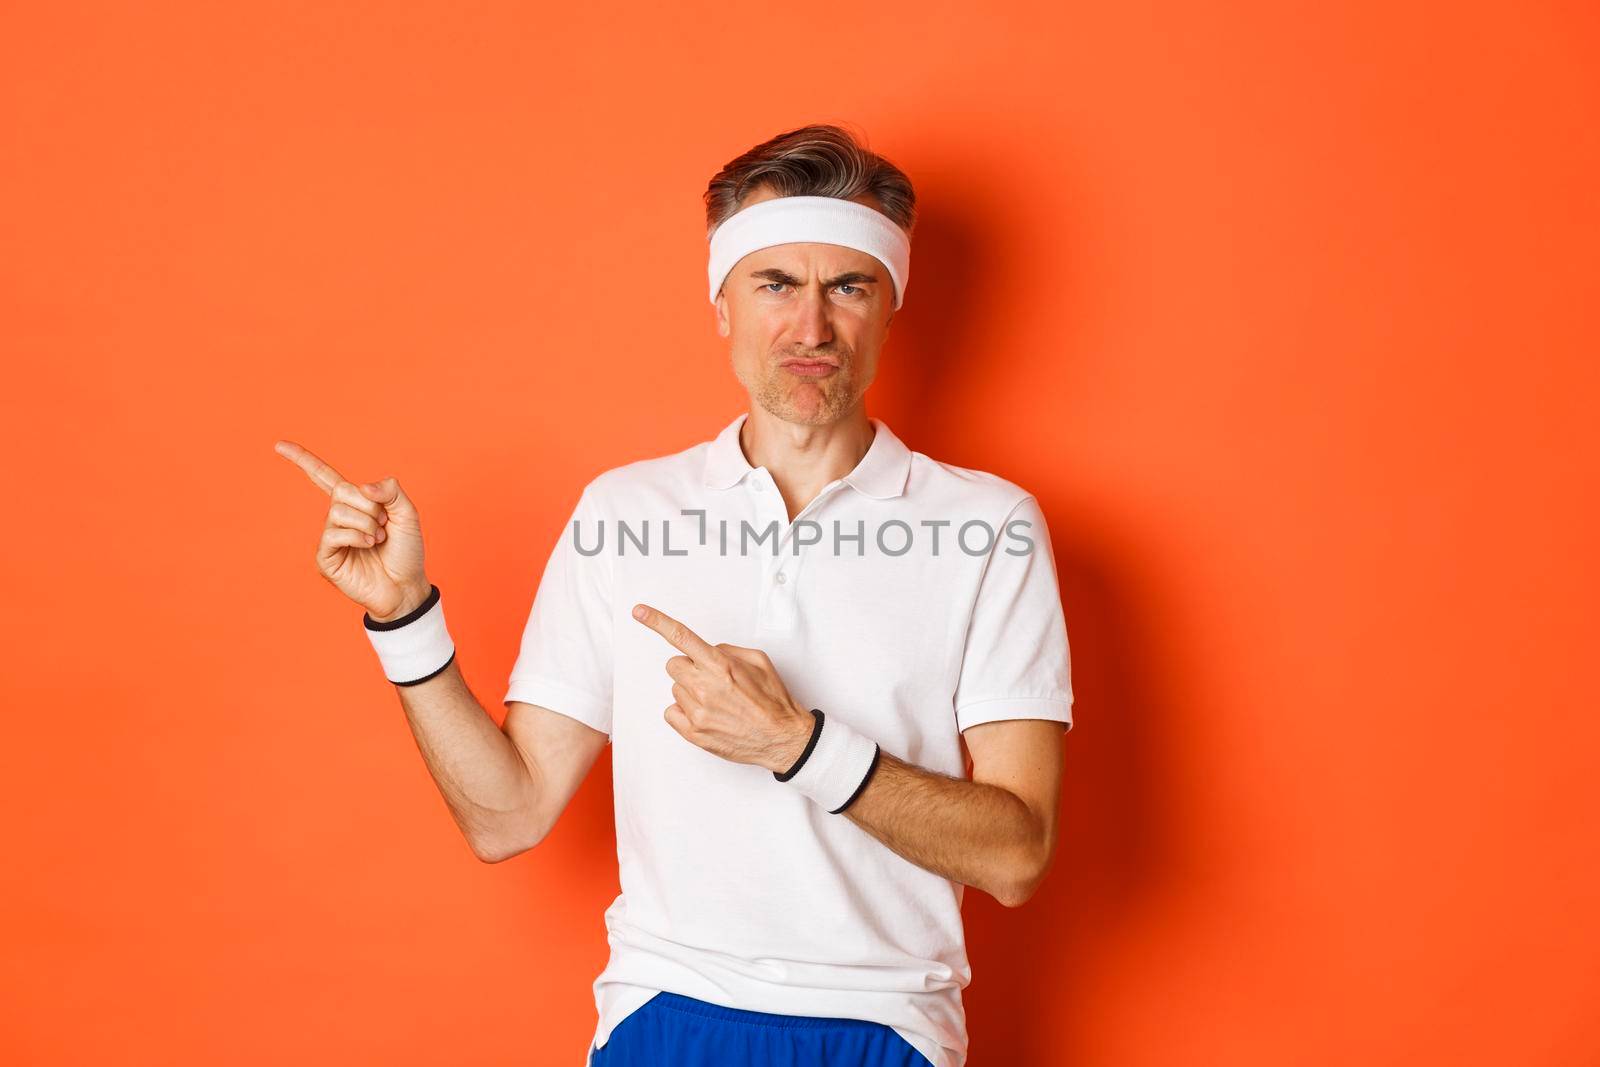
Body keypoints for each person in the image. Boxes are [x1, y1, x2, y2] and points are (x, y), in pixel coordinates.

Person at [275, 123, 1073, 1067]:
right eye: (774, 283)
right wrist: (404, 618)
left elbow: (1017, 856)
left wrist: (797, 745)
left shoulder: (989, 526)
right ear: (721, 306)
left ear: (892, 307)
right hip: (666, 1015)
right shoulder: (625, 511)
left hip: (886, 1027)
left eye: (847, 286)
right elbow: (508, 815)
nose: (810, 327)